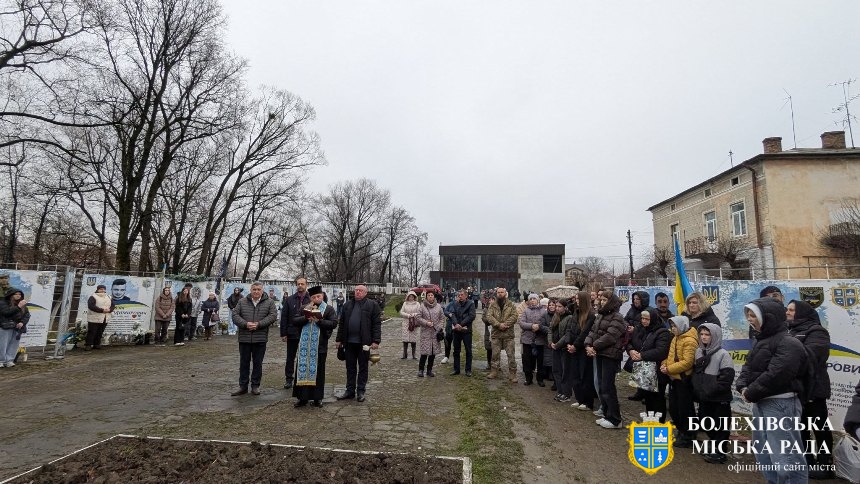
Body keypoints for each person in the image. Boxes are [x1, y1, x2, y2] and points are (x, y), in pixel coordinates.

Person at [736, 297, 808, 483]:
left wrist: (750, 392)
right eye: (748, 315)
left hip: (780, 404)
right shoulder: (761, 340)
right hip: (762, 403)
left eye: (753, 315)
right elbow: (748, 367)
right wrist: (742, 386)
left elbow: (777, 373)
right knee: (765, 454)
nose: (750, 319)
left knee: (787, 458)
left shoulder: (788, 342)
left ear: (768, 317)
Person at [787, 299, 834, 479]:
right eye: (787, 309)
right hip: (795, 389)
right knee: (801, 428)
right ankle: (807, 461)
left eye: (791, 310)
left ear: (802, 313)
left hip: (814, 388)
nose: (787, 312)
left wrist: (786, 358)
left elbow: (811, 356)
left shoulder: (818, 331)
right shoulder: (788, 331)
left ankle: (825, 463)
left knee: (820, 427)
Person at [691, 323, 734, 464]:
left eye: (707, 334)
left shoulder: (723, 355)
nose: (704, 337)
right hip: (705, 398)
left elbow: (726, 380)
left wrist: (709, 390)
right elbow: (697, 374)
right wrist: (698, 390)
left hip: (719, 398)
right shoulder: (699, 352)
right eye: (702, 334)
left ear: (714, 336)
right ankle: (713, 445)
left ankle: (720, 452)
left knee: (720, 426)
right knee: (706, 422)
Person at [585, 291, 626, 429]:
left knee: (608, 387)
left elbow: (610, 336)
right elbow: (592, 332)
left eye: (604, 300)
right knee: (602, 385)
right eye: (601, 299)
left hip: (610, 355)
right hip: (600, 354)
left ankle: (615, 419)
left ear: (611, 301)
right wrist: (588, 344)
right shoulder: (601, 315)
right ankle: (607, 414)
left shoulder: (617, 317)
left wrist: (594, 346)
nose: (602, 302)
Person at [291, 285, 337, 407]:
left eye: (318, 296)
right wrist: (306, 318)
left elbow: (333, 323)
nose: (316, 298)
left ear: (322, 296)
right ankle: (302, 398)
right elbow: (295, 321)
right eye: (314, 297)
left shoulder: (328, 309)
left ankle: (317, 398)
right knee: (302, 369)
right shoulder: (304, 308)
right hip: (304, 346)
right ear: (310, 298)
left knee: (319, 372)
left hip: (319, 346)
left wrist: (319, 321)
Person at [335, 285, 382, 402]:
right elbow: (342, 324)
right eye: (356, 290)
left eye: (360, 291)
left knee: (363, 367)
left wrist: (376, 340)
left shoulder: (372, 305)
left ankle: (361, 391)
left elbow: (376, 324)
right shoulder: (347, 305)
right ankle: (350, 391)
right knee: (350, 367)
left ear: (366, 293)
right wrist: (339, 339)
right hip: (349, 342)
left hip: (364, 343)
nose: (358, 292)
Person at [231, 282, 278, 396]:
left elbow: (273, 316)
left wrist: (259, 324)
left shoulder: (270, 302)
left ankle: (255, 386)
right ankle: (243, 386)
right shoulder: (242, 301)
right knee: (244, 363)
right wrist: (245, 324)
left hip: (260, 338)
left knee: (258, 363)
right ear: (250, 290)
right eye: (254, 289)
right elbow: (235, 315)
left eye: (258, 289)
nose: (256, 291)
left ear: (262, 290)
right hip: (244, 338)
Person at [626, 308, 671, 421]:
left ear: (653, 319)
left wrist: (642, 355)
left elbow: (661, 351)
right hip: (643, 370)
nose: (644, 321)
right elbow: (629, 342)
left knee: (657, 400)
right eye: (642, 318)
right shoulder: (639, 329)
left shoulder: (662, 332)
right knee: (648, 398)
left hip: (656, 372)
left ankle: (659, 425)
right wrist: (631, 350)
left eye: (647, 319)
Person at [661, 315, 698, 446]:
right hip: (674, 378)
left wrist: (669, 369)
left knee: (685, 409)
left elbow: (687, 363)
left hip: (683, 379)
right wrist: (664, 364)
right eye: (671, 326)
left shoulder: (690, 341)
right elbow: (670, 356)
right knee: (674, 407)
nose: (672, 328)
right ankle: (681, 430)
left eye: (675, 326)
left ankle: (688, 435)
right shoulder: (675, 338)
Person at [281, 277, 310, 390]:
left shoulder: (311, 299)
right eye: (298, 284)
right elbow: (284, 317)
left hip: (306, 332)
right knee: (290, 357)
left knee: (304, 357)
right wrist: (284, 333)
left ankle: (303, 378)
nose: (300, 286)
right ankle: (289, 379)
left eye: (302, 284)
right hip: (292, 333)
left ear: (306, 285)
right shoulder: (289, 300)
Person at [569, 292, 596, 410]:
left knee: (585, 375)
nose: (576, 301)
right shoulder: (576, 312)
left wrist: (575, 345)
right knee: (575, 375)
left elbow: (584, 332)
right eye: (575, 299)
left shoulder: (591, 315)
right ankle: (579, 399)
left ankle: (587, 402)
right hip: (574, 348)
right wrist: (570, 344)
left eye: (578, 299)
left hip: (583, 348)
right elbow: (571, 329)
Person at [485, 286, 518, 382]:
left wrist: (506, 324)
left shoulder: (511, 304)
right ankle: (494, 371)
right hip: (496, 334)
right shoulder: (493, 305)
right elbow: (489, 316)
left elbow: (515, 316)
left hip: (508, 335)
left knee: (511, 355)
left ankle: (513, 374)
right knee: (495, 355)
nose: (500, 294)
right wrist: (498, 325)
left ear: (505, 293)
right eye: (498, 292)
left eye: (502, 292)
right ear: (496, 293)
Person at [624, 291, 652, 401]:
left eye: (638, 299)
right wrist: (628, 326)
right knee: (637, 368)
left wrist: (636, 328)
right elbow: (625, 320)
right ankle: (640, 392)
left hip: (643, 340)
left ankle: (647, 394)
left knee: (645, 369)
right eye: (634, 298)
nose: (636, 301)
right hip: (633, 339)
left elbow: (648, 325)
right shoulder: (632, 309)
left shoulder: (649, 311)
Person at [518, 294, 548, 386]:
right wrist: (531, 326)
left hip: (540, 339)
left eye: (534, 298)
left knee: (540, 361)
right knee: (527, 360)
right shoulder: (526, 311)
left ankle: (540, 379)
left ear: (538, 300)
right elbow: (522, 323)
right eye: (530, 299)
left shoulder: (543, 311)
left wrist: (539, 327)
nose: (532, 300)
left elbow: (546, 323)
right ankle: (528, 378)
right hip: (527, 339)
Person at [549, 298, 574, 401]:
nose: (557, 309)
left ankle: (566, 393)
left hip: (563, 348)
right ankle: (560, 391)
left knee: (565, 371)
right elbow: (550, 329)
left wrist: (558, 344)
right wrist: (550, 342)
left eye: (560, 307)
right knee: (556, 370)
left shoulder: (569, 317)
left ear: (565, 307)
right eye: (557, 306)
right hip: (554, 347)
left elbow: (567, 334)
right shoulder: (555, 316)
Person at [416, 292, 444, 377]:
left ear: (434, 297)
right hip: (425, 332)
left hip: (435, 333)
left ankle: (429, 370)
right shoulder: (422, 306)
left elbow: (442, 318)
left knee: (432, 353)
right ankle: (421, 370)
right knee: (424, 352)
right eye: (429, 295)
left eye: (432, 295)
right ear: (426, 297)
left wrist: (439, 327)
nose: (430, 297)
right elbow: (418, 317)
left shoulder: (439, 306)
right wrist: (426, 323)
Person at [450, 289, 476, 377]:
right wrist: (455, 324)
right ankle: (456, 369)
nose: (459, 296)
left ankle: (468, 370)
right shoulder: (455, 303)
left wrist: (461, 324)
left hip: (466, 331)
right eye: (458, 295)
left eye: (461, 295)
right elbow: (452, 314)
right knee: (456, 350)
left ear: (466, 295)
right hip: (456, 330)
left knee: (468, 350)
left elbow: (471, 316)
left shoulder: (471, 304)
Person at [0, 288, 29, 367]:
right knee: (3, 344)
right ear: (11, 295)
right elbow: (6, 313)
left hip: (17, 328)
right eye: (16, 294)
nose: (18, 296)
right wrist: (18, 306)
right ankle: (1, 360)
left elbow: (27, 315)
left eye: (19, 294)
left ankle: (9, 360)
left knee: (14, 345)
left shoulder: (22, 304)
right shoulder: (3, 303)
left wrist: (22, 322)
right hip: (6, 326)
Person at [86, 284, 115, 350]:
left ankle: (97, 344)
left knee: (100, 332)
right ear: (97, 289)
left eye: (103, 289)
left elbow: (113, 305)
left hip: (105, 318)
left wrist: (110, 310)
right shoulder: (93, 296)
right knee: (92, 332)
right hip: (94, 318)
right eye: (101, 289)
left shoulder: (109, 297)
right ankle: (88, 345)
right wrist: (102, 310)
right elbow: (91, 306)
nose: (102, 290)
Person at [399, 291, 420, 360]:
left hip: (413, 323)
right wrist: (407, 315)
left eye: (412, 297)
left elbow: (419, 312)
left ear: (414, 297)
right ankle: (404, 354)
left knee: (413, 339)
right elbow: (401, 312)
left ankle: (414, 354)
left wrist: (414, 314)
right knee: (405, 339)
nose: (411, 298)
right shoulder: (405, 303)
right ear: (408, 297)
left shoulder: (417, 304)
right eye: (410, 297)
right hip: (406, 322)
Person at [540, 298, 554, 386]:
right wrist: (549, 330)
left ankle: (552, 374)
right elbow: (541, 325)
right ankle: (546, 373)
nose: (551, 307)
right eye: (550, 305)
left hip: (556, 339)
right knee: (547, 357)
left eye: (553, 305)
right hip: (546, 339)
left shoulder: (558, 315)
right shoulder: (545, 315)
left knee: (554, 358)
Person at [441, 296, 457, 364]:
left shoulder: (464, 305)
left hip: (457, 325)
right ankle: (446, 356)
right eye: (457, 296)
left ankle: (456, 357)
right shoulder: (451, 304)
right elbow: (445, 311)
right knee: (447, 341)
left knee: (456, 343)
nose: (458, 297)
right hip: (449, 325)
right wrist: (449, 314)